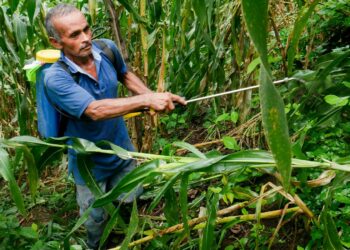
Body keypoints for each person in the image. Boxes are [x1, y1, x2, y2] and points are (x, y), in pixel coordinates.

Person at [44, 3, 186, 249]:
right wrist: (146, 100)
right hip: (89, 164)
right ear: (56, 43)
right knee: (94, 218)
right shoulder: (56, 78)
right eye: (75, 35)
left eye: (87, 29)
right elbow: (94, 110)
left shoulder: (106, 49)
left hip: (122, 150)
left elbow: (125, 75)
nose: (86, 38)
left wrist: (155, 98)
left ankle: (127, 238)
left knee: (130, 200)